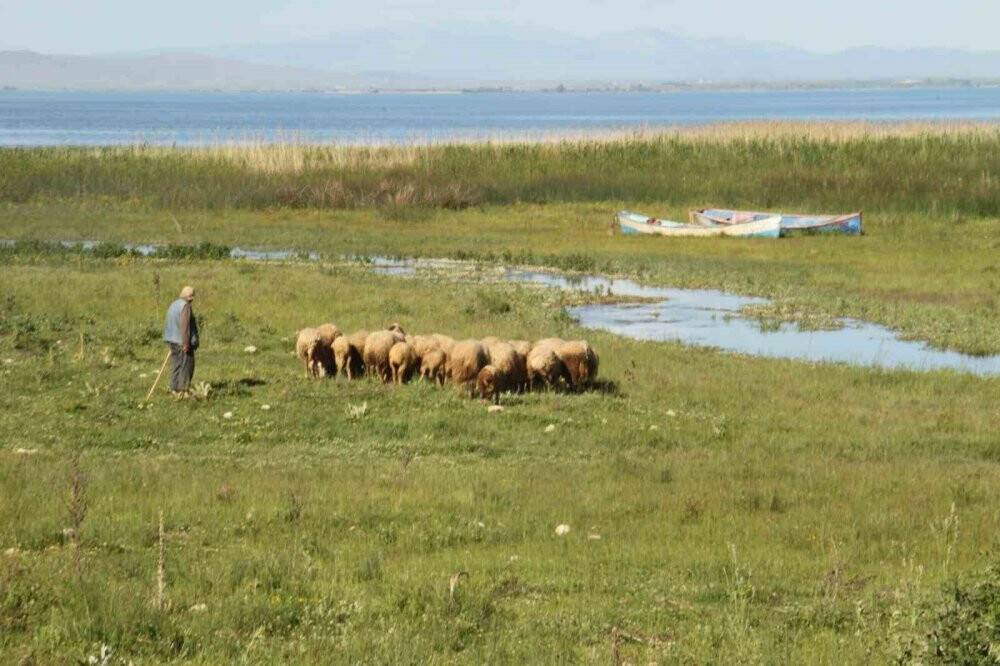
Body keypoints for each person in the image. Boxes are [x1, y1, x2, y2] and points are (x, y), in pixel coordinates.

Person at [163, 286, 200, 395]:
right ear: (189, 297)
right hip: (181, 341)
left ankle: (174, 388)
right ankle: (183, 390)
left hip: (172, 340)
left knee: (176, 364)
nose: (192, 300)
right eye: (191, 297)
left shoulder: (174, 304)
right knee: (186, 365)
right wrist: (185, 343)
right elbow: (185, 326)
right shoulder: (185, 307)